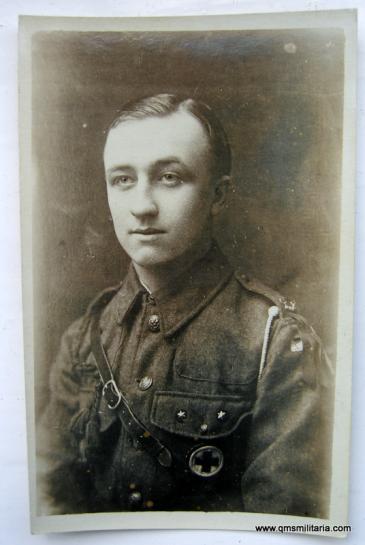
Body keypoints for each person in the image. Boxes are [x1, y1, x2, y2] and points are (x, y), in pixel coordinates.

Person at [37, 93, 334, 517]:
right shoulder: (86, 335)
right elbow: (47, 501)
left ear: (218, 195)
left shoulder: (275, 342)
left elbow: (287, 527)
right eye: (122, 180)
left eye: (170, 177)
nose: (142, 206)